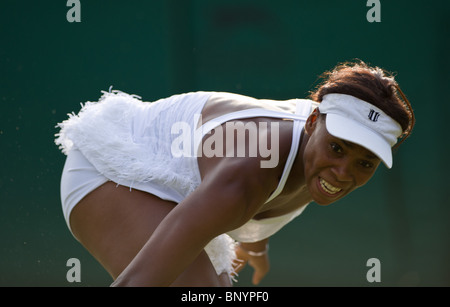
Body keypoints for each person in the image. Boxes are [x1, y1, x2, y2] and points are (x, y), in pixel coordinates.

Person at [55, 60, 415, 286]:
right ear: (311, 123)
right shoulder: (249, 171)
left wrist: (255, 245)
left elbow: (259, 204)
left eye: (364, 163)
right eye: (337, 148)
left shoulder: (316, 140)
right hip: (113, 169)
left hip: (181, 190)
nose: (342, 172)